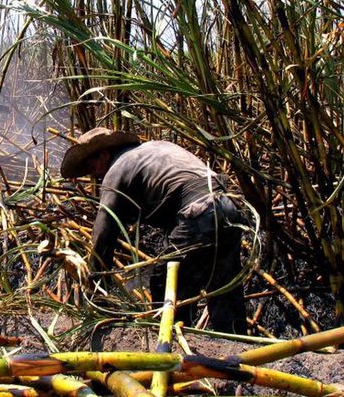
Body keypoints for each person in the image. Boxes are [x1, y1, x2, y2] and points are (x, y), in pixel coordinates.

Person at [60, 127, 247, 333]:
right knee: (224, 284)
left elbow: (103, 235)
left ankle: (173, 346)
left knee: (166, 282)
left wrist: (96, 288)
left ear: (104, 154)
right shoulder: (157, 148)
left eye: (92, 165)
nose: (94, 173)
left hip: (199, 212)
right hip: (228, 208)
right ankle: (236, 345)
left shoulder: (117, 169)